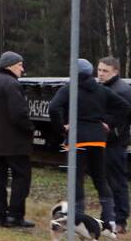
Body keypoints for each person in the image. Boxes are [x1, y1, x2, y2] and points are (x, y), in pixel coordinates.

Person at [49, 59, 131, 231]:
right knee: (101, 179)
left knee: (76, 179)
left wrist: (63, 128)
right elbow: (124, 107)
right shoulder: (101, 89)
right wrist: (108, 123)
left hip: (77, 140)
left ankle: (77, 219)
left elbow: (54, 108)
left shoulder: (69, 89)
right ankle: (109, 221)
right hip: (98, 140)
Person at [0, 52, 35, 229]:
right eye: (20, 65)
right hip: (15, 143)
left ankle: (0, 216)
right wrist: (30, 128)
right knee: (22, 177)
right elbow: (18, 113)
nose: (22, 69)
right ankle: (15, 216)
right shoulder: (12, 84)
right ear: (10, 65)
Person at [97, 57, 131, 232]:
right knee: (106, 181)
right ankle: (108, 217)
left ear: (116, 72)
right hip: (106, 141)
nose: (101, 74)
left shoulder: (121, 91)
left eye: (105, 71)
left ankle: (120, 220)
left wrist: (109, 126)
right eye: (99, 70)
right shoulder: (106, 88)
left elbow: (121, 116)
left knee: (117, 182)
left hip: (114, 143)